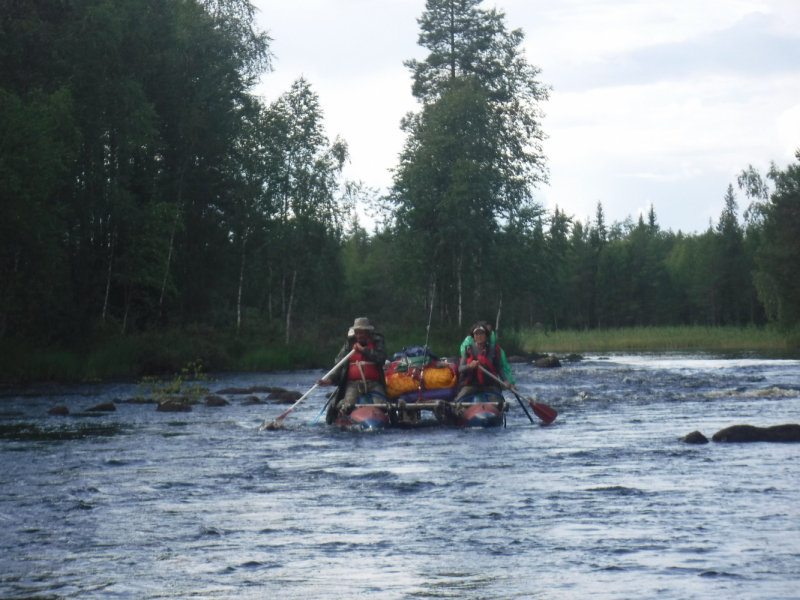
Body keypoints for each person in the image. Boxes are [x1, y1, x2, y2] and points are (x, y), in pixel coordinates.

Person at [317, 317, 387, 418]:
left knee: (382, 406)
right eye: (357, 333)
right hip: (353, 384)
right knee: (348, 406)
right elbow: (339, 365)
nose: (359, 336)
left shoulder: (377, 341)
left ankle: (381, 417)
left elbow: (382, 358)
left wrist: (364, 350)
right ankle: (341, 412)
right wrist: (329, 380)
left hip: (374, 383)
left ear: (368, 332)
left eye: (361, 333)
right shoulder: (349, 344)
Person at [455, 322, 513, 403]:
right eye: (476, 334)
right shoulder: (468, 349)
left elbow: (499, 368)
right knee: (459, 401)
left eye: (482, 333)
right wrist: (470, 366)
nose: (479, 336)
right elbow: (460, 369)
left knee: (498, 402)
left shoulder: (492, 349)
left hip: (489, 385)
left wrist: (506, 381)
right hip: (471, 385)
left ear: (486, 336)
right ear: (473, 337)